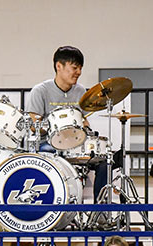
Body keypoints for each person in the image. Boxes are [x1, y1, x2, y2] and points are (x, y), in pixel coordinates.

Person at [25, 45, 108, 202]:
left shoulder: (80, 91)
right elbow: (32, 124)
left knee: (103, 162)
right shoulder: (40, 90)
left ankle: (100, 212)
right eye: (75, 67)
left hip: (76, 144)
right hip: (48, 144)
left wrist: (88, 131)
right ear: (59, 66)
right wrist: (51, 128)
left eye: (80, 68)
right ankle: (52, 205)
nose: (79, 72)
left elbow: (84, 119)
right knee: (48, 152)